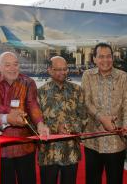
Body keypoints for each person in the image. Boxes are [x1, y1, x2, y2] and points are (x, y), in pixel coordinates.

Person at [0, 52, 49, 184]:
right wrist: (14, 113)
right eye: (7, 65)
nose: (13, 68)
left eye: (15, 64)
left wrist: (40, 123)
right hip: (1, 147)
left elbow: (33, 105)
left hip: (25, 145)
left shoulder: (28, 82)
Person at [82, 43, 127, 184]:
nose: (105, 60)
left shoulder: (123, 77)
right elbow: (86, 102)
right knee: (92, 180)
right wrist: (101, 118)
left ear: (113, 57)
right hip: (93, 140)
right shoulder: (87, 75)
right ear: (94, 59)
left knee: (115, 180)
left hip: (116, 141)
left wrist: (126, 125)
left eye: (109, 56)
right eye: (101, 57)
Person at [38, 56, 87, 184]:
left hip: (71, 152)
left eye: (65, 69)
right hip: (48, 153)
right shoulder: (40, 92)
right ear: (49, 70)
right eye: (58, 69)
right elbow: (36, 121)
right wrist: (55, 128)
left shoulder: (77, 90)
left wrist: (70, 128)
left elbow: (84, 117)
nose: (63, 72)